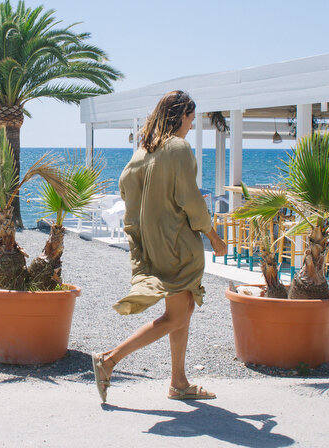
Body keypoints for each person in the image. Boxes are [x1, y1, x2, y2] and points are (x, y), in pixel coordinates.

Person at [92, 90, 228, 403]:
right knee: (177, 317)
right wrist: (214, 236)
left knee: (183, 309)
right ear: (180, 115)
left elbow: (126, 188)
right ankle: (108, 361)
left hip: (154, 243)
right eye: (190, 119)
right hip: (177, 245)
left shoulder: (143, 151)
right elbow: (191, 200)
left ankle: (179, 382)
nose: (191, 126)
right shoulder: (178, 148)